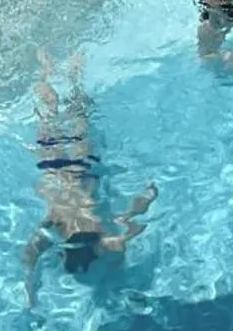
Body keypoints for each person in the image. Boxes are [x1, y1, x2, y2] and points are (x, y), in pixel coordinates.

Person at [23, 53, 157, 309]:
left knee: (62, 115)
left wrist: (30, 289)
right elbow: (129, 221)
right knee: (54, 114)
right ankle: (58, 71)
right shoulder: (55, 223)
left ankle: (52, 69)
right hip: (65, 172)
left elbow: (131, 222)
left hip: (76, 172)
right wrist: (145, 200)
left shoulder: (56, 222)